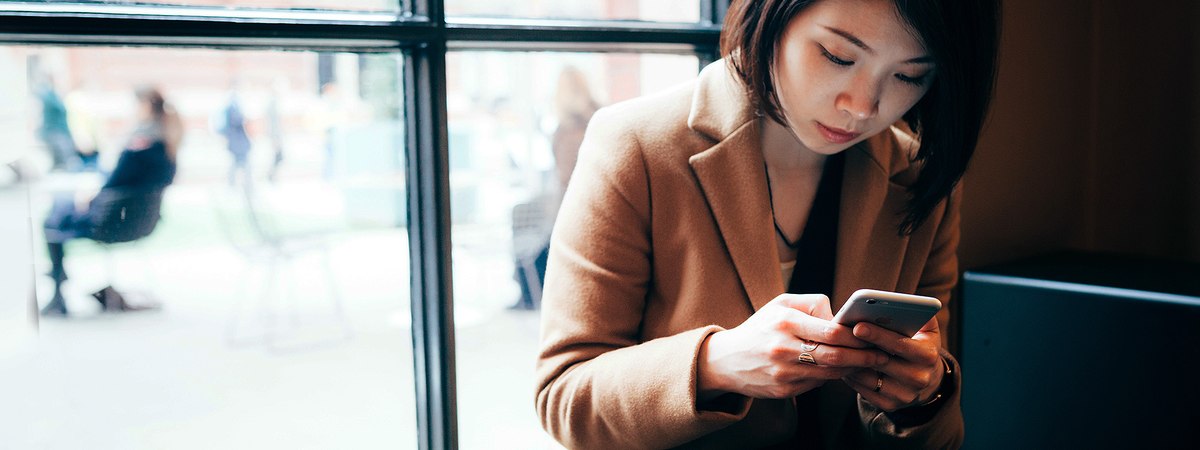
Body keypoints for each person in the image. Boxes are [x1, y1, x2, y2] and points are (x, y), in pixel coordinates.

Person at [535, 0, 999, 448]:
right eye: (838, 56)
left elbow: (943, 435)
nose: (862, 106)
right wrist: (718, 364)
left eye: (909, 75)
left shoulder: (920, 179)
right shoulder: (637, 145)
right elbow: (563, 397)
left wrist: (924, 396)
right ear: (772, 12)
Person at [40, 86, 183, 316]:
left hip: (112, 220)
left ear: (145, 106)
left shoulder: (141, 143)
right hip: (139, 221)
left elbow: (115, 181)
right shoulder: (167, 142)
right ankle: (59, 276)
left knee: (53, 218)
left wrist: (92, 197)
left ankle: (58, 286)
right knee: (60, 212)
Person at [510, 66, 601, 311]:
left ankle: (527, 289)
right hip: (595, 205)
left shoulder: (565, 131)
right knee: (522, 214)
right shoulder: (601, 118)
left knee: (522, 217)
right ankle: (528, 287)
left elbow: (564, 178)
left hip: (576, 209)